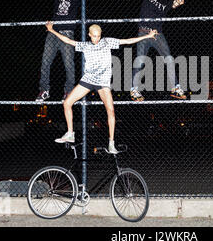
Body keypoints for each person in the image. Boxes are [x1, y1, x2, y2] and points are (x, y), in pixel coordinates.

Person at [45, 21, 159, 153]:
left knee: (110, 111)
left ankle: (111, 144)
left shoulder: (107, 42)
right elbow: (67, 40)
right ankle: (70, 133)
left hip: (103, 83)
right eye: (94, 36)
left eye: (98, 36)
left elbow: (127, 41)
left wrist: (147, 36)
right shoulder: (85, 45)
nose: (96, 39)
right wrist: (52, 30)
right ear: (89, 35)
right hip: (88, 80)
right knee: (67, 103)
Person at [130, 0, 186, 102]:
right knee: (140, 61)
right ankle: (134, 90)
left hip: (158, 34)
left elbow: (181, 1)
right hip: (143, 32)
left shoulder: (167, 3)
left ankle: (175, 87)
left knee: (168, 58)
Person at [36, 0, 81, 102]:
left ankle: (68, 92)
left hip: (67, 34)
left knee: (69, 66)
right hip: (53, 32)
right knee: (45, 62)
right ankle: (44, 90)